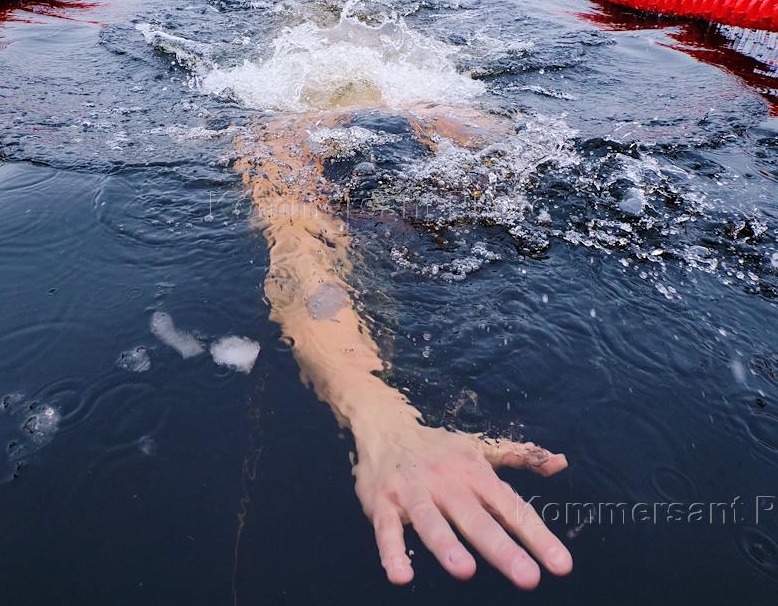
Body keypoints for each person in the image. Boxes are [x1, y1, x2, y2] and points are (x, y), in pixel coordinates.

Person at [237, 104, 574, 591]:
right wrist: (376, 414)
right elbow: (298, 258)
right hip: (328, 117)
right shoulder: (285, 124)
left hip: (420, 105)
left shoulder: (436, 105)